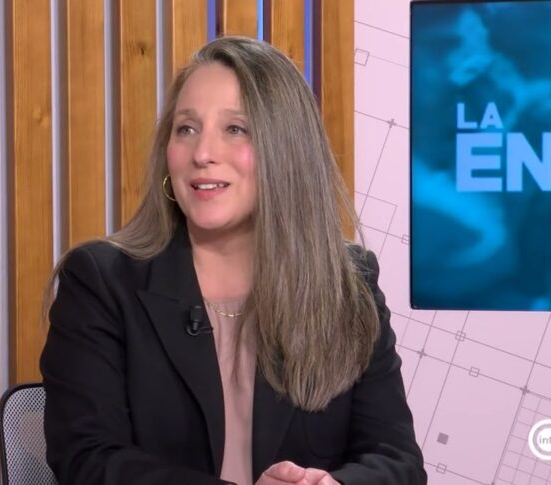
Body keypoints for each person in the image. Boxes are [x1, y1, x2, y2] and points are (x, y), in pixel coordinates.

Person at [40, 36, 426, 485]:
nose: (202, 153)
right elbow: (87, 460)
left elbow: (397, 461)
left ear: (286, 151)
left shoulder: (346, 285)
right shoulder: (102, 282)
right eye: (186, 128)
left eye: (235, 129)